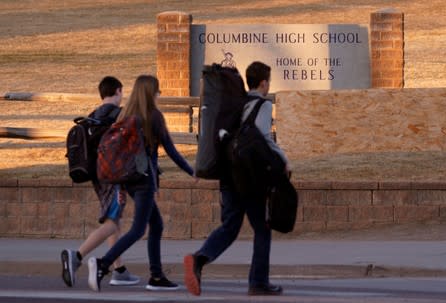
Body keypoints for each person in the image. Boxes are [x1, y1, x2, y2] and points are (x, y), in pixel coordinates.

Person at [184, 61, 290, 296]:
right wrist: (283, 159)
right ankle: (258, 282)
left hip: (228, 174)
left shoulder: (236, 102)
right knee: (262, 229)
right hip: (249, 178)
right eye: (268, 82)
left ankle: (199, 259)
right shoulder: (262, 105)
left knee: (230, 226)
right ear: (264, 83)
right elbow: (262, 137)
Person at [87, 74, 195, 292]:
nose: (159, 94)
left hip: (129, 180)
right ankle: (103, 264)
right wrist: (192, 172)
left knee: (156, 225)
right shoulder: (153, 116)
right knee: (138, 229)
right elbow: (172, 151)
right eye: (157, 90)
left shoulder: (127, 113)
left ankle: (156, 276)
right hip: (144, 181)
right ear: (150, 92)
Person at [61, 76, 140, 287]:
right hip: (113, 175)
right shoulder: (118, 115)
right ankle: (76, 256)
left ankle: (119, 270)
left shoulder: (92, 116)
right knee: (113, 221)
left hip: (96, 175)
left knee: (112, 220)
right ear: (119, 91)